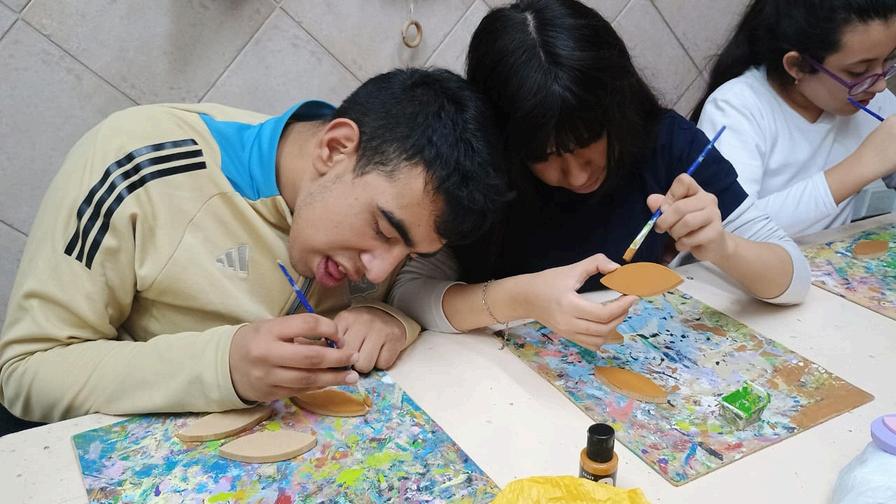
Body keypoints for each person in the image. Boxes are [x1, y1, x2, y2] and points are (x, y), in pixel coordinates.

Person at [0, 68, 506, 429]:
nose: (377, 271)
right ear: (335, 148)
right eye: (382, 230)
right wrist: (224, 366)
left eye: (408, 253)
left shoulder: (388, 203)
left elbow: (407, 291)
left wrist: (388, 317)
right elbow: (27, 373)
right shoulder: (138, 160)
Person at [389, 0, 810, 349]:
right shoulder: (483, 171)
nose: (576, 175)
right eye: (544, 156)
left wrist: (722, 246)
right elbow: (408, 292)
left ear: (615, 107)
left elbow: (794, 279)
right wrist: (521, 298)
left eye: (588, 139)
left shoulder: (664, 141)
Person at [694, 0, 896, 236]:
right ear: (797, 65)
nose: (880, 85)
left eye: (888, 61)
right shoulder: (736, 108)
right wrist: (861, 166)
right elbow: (734, 230)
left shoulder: (873, 101)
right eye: (858, 72)